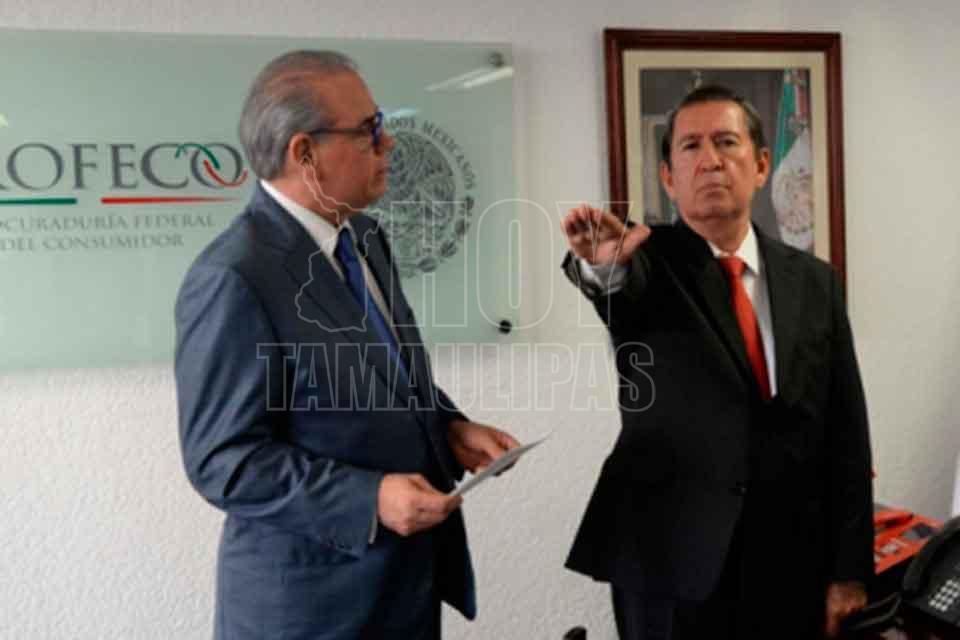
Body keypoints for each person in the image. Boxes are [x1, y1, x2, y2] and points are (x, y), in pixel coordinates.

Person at [174, 50, 518, 640]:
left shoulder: (364, 237)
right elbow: (222, 461)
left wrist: (448, 428)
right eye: (368, 130)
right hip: (311, 612)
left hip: (404, 593)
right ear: (303, 153)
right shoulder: (234, 276)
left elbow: (386, 376)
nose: (388, 143)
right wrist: (369, 498)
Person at [560, 85, 873, 639]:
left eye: (726, 142)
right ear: (668, 177)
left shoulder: (814, 281)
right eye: (691, 146)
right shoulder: (646, 263)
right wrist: (604, 267)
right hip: (670, 561)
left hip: (791, 563)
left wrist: (849, 571)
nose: (710, 160)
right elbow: (619, 293)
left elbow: (846, 433)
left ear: (760, 165)